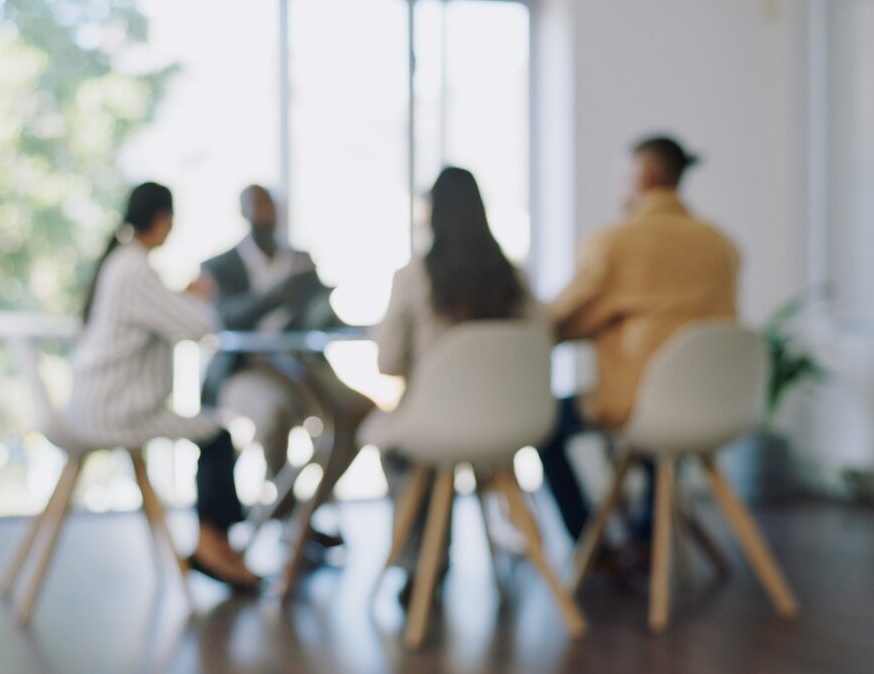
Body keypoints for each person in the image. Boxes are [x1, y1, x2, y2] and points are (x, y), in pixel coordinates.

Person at [543, 135, 740, 543]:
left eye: (622, 177)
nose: (619, 188)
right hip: (714, 401)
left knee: (544, 423)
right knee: (664, 392)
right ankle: (648, 529)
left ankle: (590, 546)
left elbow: (562, 316)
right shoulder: (722, 246)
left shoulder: (616, 242)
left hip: (639, 404)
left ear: (645, 176)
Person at [364, 166, 547, 600]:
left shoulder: (414, 277)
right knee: (422, 445)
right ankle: (520, 551)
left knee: (400, 450)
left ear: (433, 215)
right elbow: (543, 342)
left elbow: (387, 361)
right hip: (511, 426)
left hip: (437, 427)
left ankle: (421, 559)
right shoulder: (516, 278)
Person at [66, 182, 260, 590]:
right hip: (117, 412)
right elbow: (200, 327)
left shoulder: (121, 263)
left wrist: (176, 294)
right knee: (216, 434)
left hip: (97, 405)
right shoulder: (137, 269)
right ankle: (212, 545)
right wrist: (199, 296)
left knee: (213, 432)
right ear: (162, 220)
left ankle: (217, 543)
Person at [201, 185, 373, 538]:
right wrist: (280, 292)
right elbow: (226, 318)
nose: (265, 212)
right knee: (273, 413)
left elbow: (322, 318)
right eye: (256, 205)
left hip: (304, 365)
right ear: (243, 212)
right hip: (247, 368)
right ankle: (282, 511)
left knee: (359, 410)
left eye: (269, 204)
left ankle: (305, 513)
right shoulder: (220, 266)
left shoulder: (301, 259)